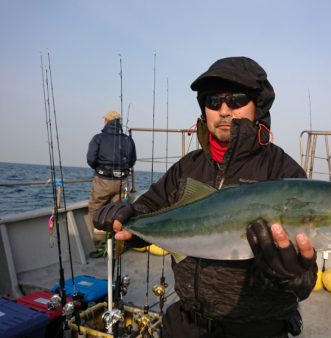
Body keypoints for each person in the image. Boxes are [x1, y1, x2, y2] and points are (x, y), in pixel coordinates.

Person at [93, 57, 318, 338]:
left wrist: (293, 272)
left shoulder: (283, 173)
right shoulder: (188, 168)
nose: (224, 110)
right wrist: (125, 218)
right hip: (186, 323)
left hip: (256, 330)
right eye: (213, 101)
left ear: (257, 106)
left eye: (237, 99)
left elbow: (305, 283)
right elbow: (148, 208)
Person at [86, 110, 136, 257]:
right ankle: (116, 246)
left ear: (106, 121)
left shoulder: (98, 138)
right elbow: (132, 160)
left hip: (103, 181)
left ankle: (101, 245)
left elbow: (91, 159)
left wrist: (101, 168)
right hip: (122, 181)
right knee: (119, 212)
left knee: (96, 209)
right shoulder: (128, 140)